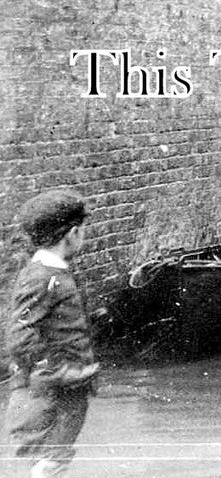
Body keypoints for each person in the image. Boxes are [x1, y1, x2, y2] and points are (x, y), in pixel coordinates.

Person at [6, 190, 100, 478]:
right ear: (72, 233)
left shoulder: (50, 273)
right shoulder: (44, 277)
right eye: (83, 230)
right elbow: (19, 336)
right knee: (48, 465)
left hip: (60, 393)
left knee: (52, 462)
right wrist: (59, 370)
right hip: (49, 395)